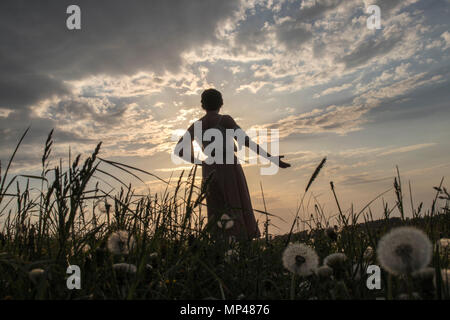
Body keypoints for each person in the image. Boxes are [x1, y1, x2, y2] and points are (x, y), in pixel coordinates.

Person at [175, 88, 290, 241]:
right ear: (221, 103)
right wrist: (271, 158)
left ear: (202, 104)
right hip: (229, 166)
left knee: (216, 210)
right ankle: (243, 247)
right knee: (236, 205)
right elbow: (246, 141)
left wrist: (202, 163)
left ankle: (220, 249)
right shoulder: (225, 120)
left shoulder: (197, 124)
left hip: (210, 169)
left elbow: (179, 150)